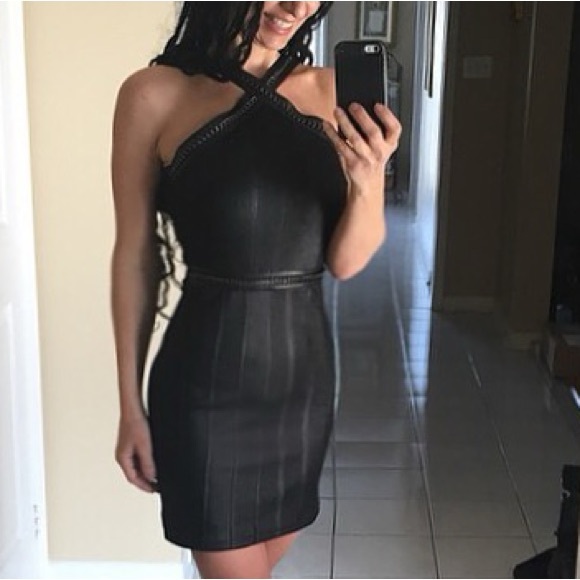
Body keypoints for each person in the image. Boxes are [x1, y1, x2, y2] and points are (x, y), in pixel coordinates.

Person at [110, 2, 401, 578]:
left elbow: (345, 262)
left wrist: (369, 182)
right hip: (204, 388)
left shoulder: (330, 91)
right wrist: (129, 406)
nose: (296, 7)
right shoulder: (153, 95)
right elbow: (135, 256)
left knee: (264, 558)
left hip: (301, 386)